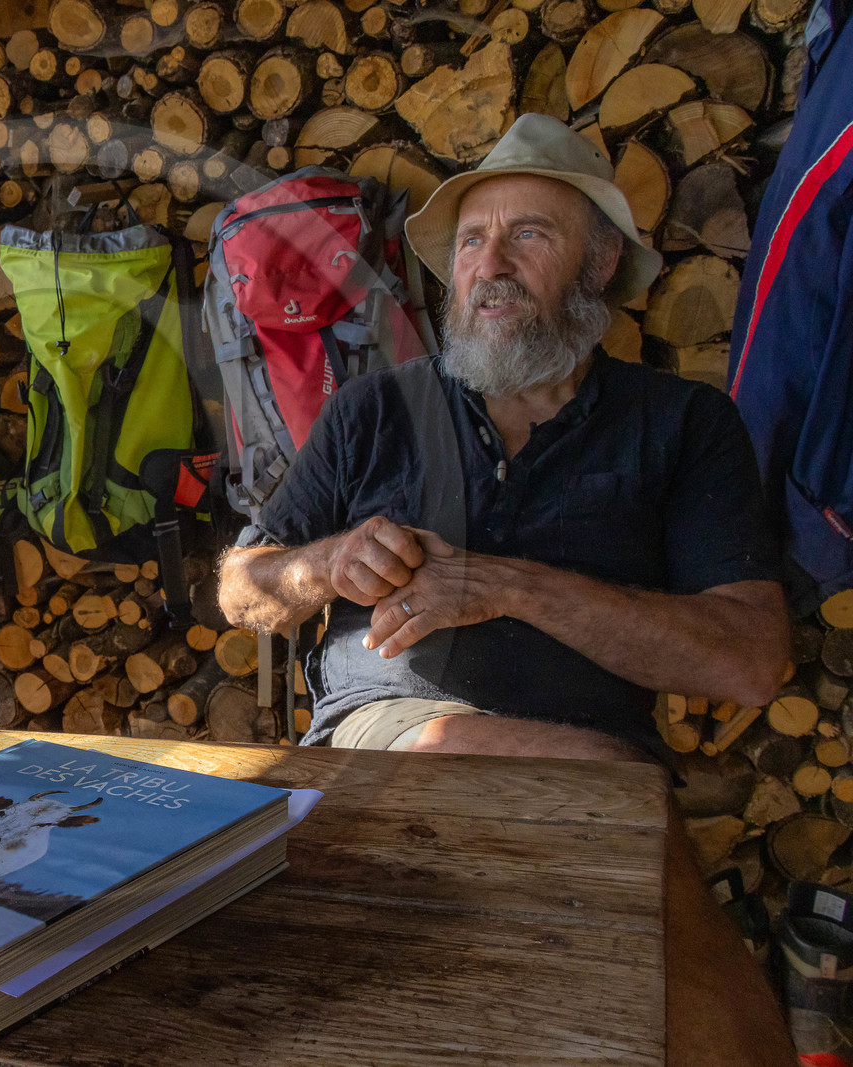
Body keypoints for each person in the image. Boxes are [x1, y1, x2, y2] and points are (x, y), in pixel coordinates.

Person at [218, 114, 795, 1066]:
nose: (491, 263)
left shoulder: (683, 424)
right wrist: (322, 566)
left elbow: (752, 661)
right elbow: (241, 587)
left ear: (601, 262)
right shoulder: (375, 411)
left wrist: (512, 586)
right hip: (383, 743)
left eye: (530, 234)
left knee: (681, 994)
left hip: (599, 777)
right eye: (474, 239)